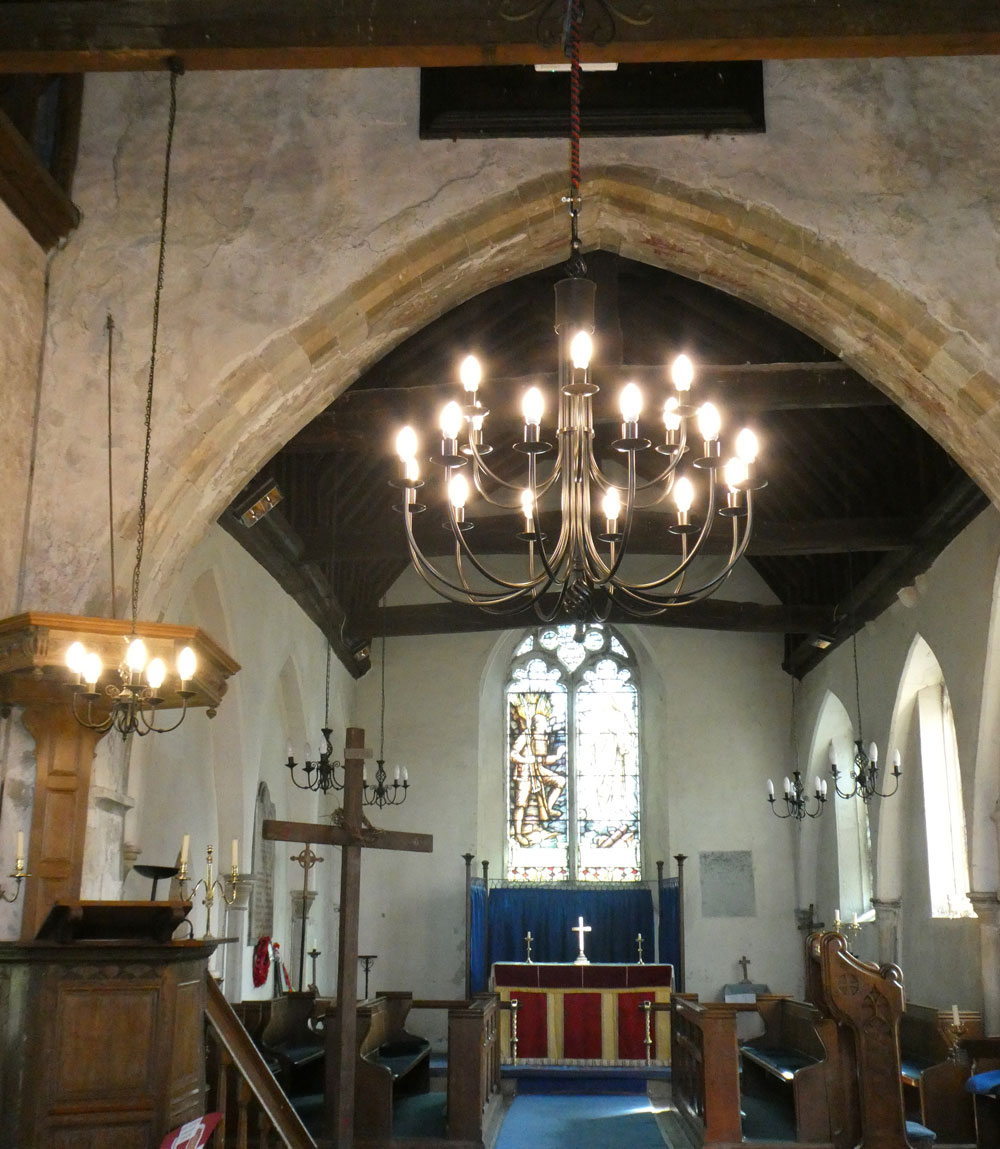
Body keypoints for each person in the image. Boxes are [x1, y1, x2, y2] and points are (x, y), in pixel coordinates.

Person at [510, 712, 566, 846]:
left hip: (538, 770)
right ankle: (518, 834)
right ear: (535, 725)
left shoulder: (542, 738)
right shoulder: (526, 737)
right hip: (524, 773)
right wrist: (525, 760)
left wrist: (558, 756)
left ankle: (549, 808)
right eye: (543, 723)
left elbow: (543, 760)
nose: (545, 726)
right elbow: (513, 754)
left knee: (560, 781)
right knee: (521, 804)